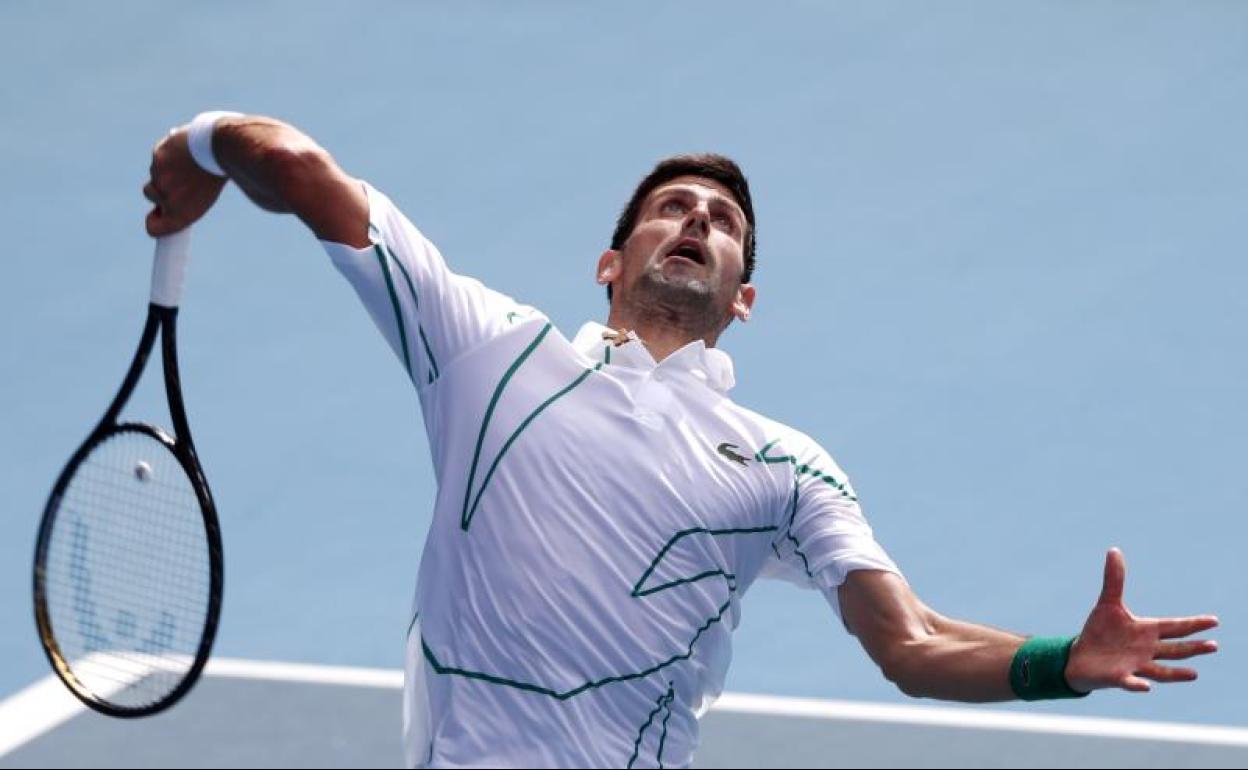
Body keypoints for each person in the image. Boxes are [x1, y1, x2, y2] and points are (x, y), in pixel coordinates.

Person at [144, 112, 1219, 769]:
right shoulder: (486, 351)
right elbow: (297, 167)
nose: (698, 218)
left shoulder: (785, 467)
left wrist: (1060, 664)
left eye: (723, 220)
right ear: (609, 263)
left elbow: (912, 642)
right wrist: (202, 146)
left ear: (744, 296)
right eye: (671, 206)